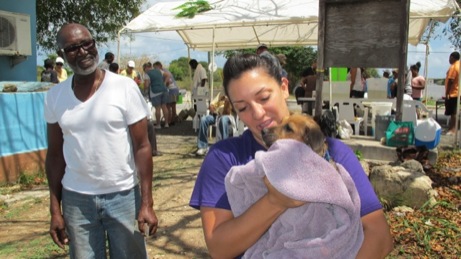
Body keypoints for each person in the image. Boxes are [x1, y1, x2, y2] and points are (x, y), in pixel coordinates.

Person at [189, 53, 393, 258]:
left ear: (284, 87)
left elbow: (379, 236)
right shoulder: (225, 158)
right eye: (243, 107)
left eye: (264, 98)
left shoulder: (333, 152)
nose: (258, 113)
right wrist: (275, 201)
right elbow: (219, 248)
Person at [44, 23, 158, 258]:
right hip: (76, 201)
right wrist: (56, 210)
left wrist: (146, 202)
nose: (83, 51)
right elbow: (55, 155)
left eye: (87, 43)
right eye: (74, 48)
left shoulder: (124, 87)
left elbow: (143, 146)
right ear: (63, 55)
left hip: (124, 195)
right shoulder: (55, 97)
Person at [154, 61, 179, 125]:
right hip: (175, 89)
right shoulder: (165, 71)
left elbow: (168, 82)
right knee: (173, 106)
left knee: (168, 106)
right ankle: (172, 120)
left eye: (156, 67)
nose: (155, 69)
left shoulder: (164, 72)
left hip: (171, 90)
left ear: (160, 66)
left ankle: (169, 121)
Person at [145, 61, 169, 129]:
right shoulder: (159, 71)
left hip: (155, 92)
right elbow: (168, 75)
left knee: (157, 108)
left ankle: (158, 125)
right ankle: (166, 123)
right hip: (164, 90)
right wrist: (164, 83)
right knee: (164, 107)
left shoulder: (147, 74)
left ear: (146, 68)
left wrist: (147, 88)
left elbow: (146, 85)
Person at [444, 51, 460, 135]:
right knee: (453, 112)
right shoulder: (459, 65)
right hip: (457, 92)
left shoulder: (454, 67)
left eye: (449, 57)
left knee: (452, 112)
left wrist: (447, 93)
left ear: (452, 57)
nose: (449, 59)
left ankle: (452, 129)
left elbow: (451, 80)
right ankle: (451, 128)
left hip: (453, 93)